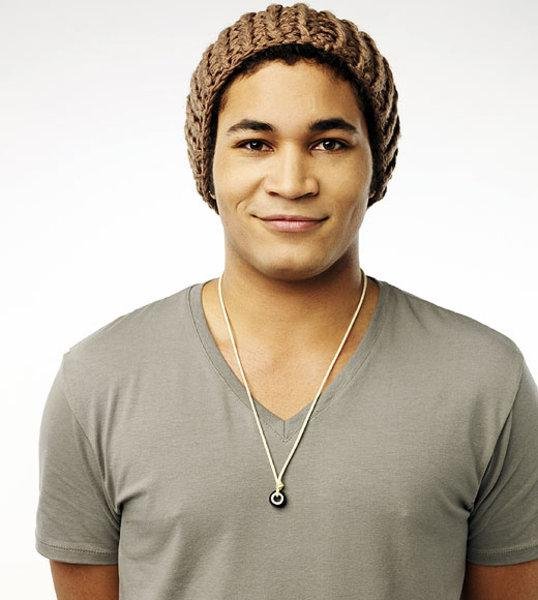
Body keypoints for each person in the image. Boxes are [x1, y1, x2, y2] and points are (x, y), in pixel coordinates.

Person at [35, 3, 538, 599]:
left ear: (376, 166)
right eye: (255, 143)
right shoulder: (98, 381)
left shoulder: (485, 379)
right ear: (208, 165)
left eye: (329, 143)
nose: (292, 182)